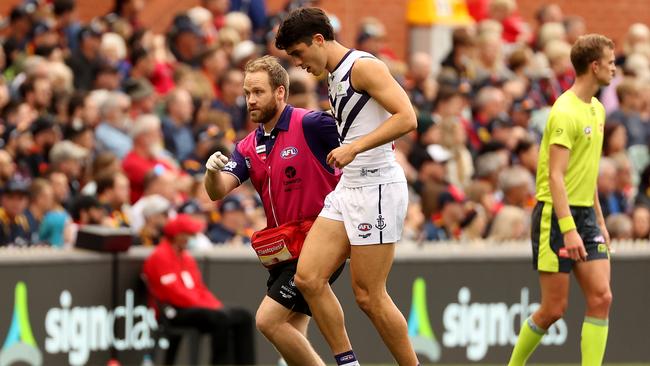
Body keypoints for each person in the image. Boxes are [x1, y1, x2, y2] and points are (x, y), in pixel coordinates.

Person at [276, 8, 418, 366]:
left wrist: (354, 147)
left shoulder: (364, 67)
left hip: (378, 187)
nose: (298, 63)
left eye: (298, 53)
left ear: (319, 40)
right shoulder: (333, 74)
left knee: (369, 296)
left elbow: (407, 117)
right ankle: (347, 363)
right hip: (348, 188)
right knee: (308, 279)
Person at [204, 55, 341, 366]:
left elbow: (359, 140)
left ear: (280, 92)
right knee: (291, 339)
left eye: (258, 92)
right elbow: (217, 191)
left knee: (268, 320)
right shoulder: (247, 146)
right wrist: (211, 172)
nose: (250, 100)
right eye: (247, 93)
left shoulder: (311, 123)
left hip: (318, 243)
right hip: (284, 251)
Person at [508, 34, 616, 366]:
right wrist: (569, 229)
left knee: (602, 297)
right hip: (556, 216)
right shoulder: (564, 111)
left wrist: (598, 220)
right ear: (594, 66)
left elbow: (588, 172)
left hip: (585, 215)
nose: (615, 68)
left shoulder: (597, 109)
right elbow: (556, 176)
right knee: (554, 309)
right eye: (611, 63)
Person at [142, 214, 255, 365]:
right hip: (173, 311)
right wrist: (211, 307)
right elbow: (175, 294)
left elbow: (199, 288)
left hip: (195, 307)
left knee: (243, 316)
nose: (192, 237)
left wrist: (215, 305)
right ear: (178, 235)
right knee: (220, 318)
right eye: (189, 234)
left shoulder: (186, 257)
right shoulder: (160, 256)